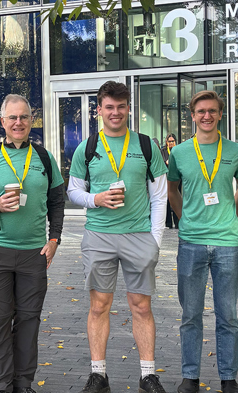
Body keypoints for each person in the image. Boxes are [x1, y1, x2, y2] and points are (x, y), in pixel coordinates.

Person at [66, 81, 169, 393]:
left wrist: (155, 241)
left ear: (128, 108)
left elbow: (160, 197)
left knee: (141, 305)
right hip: (99, 236)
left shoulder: (147, 145)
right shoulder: (87, 147)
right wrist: (95, 199)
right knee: (99, 305)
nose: (115, 112)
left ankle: (148, 375)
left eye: (121, 107)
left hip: (139, 235)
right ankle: (99, 374)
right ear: (99, 110)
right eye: (109, 107)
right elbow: (73, 191)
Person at [0, 94, 65, 393]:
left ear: (31, 120)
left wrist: (55, 238)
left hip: (34, 253)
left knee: (29, 322)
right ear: (2, 121)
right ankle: (1, 386)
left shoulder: (44, 157)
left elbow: (57, 200)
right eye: (12, 118)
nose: (18, 122)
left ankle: (23, 384)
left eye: (23, 117)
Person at [166, 90, 238, 393]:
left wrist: (231, 214)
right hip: (191, 242)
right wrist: (183, 217)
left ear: (220, 114)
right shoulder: (179, 153)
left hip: (228, 241)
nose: (207, 116)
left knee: (228, 315)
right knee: (191, 314)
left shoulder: (235, 150)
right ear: (192, 115)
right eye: (201, 111)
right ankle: (190, 376)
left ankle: (229, 378)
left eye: (212, 111)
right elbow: (172, 188)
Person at [160, 133, 179, 229]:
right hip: (166, 178)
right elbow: (161, 162)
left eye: (172, 141)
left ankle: (177, 222)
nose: (171, 143)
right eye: (169, 141)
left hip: (177, 178)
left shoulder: (178, 151)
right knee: (167, 200)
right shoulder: (163, 151)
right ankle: (168, 223)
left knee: (177, 198)